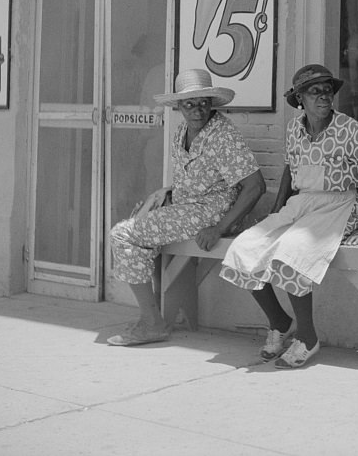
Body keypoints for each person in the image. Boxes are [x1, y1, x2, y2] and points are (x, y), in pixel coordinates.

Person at [219, 63, 358, 369]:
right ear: (300, 99)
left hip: (338, 206)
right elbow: (289, 169)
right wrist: (277, 211)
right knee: (244, 249)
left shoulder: (350, 130)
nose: (324, 97)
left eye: (328, 91)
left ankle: (308, 338)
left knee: (290, 254)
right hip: (301, 206)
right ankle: (280, 322)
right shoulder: (294, 129)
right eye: (314, 92)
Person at [107, 68, 265, 347]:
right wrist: (165, 194)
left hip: (211, 213)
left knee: (122, 234)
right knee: (138, 222)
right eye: (190, 104)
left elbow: (255, 186)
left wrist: (220, 227)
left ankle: (152, 322)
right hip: (187, 208)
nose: (198, 110)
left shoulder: (222, 135)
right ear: (178, 106)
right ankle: (152, 316)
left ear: (211, 103)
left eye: (204, 102)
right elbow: (190, 179)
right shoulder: (182, 131)